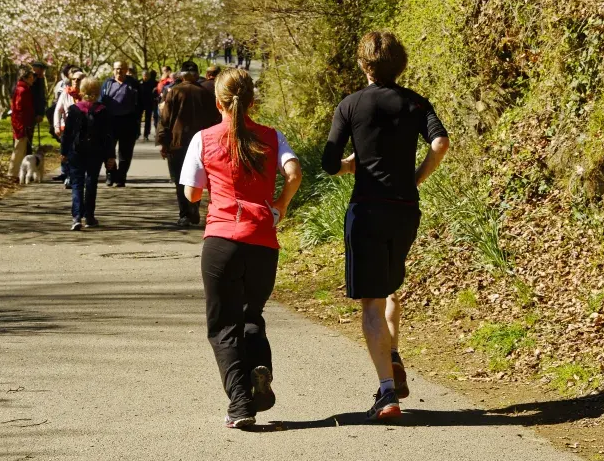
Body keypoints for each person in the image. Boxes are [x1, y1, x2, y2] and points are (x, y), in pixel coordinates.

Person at [321, 30, 450, 421]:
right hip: (405, 208)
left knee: (371, 302)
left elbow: (329, 163)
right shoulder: (415, 102)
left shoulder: (350, 105)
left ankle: (387, 393)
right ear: (401, 64)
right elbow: (440, 143)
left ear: (364, 65)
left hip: (367, 209)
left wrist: (349, 165)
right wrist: (416, 178)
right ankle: (391, 351)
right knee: (392, 287)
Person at [180, 67, 303, 428]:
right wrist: (280, 204)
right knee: (252, 316)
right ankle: (259, 372)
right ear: (252, 102)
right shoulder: (271, 136)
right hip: (263, 241)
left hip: (221, 240)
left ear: (218, 102)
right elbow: (294, 172)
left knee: (223, 326)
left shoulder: (204, 139)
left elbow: (191, 193)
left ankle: (240, 406)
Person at [157, 61, 219, 226]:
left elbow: (165, 119)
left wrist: (163, 142)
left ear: (181, 75)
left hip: (177, 143)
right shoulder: (205, 94)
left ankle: (185, 214)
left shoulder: (174, 92)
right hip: (201, 143)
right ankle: (194, 208)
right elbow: (215, 120)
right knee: (196, 178)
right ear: (197, 75)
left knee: (180, 179)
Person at [61, 77, 117, 230]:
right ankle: (89, 217)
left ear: (82, 90)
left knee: (77, 183)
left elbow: (68, 134)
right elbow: (108, 135)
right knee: (91, 183)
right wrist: (110, 156)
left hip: (76, 151)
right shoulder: (103, 111)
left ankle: (76, 216)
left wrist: (64, 152)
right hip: (96, 152)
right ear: (98, 91)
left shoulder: (74, 109)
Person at [100, 60, 140, 186]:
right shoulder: (107, 83)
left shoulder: (133, 84)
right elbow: (101, 100)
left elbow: (141, 102)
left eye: (122, 68)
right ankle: (111, 173)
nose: (119, 71)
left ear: (126, 70)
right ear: (113, 70)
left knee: (125, 152)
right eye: (117, 68)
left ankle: (121, 177)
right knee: (108, 150)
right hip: (110, 121)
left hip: (128, 121)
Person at [6, 66, 35, 179]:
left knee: (22, 149)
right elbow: (18, 108)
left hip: (24, 123)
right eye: (31, 77)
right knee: (19, 148)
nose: (33, 79)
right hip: (21, 124)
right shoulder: (22, 90)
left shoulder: (24, 89)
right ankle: (12, 172)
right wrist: (22, 125)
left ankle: (19, 173)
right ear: (26, 78)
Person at [27, 61, 48, 154]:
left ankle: (28, 153)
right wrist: (39, 113)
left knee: (30, 135)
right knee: (27, 136)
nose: (42, 72)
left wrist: (41, 113)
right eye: (41, 69)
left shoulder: (40, 79)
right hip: (31, 112)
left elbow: (42, 97)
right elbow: (37, 98)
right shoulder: (32, 81)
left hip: (36, 111)